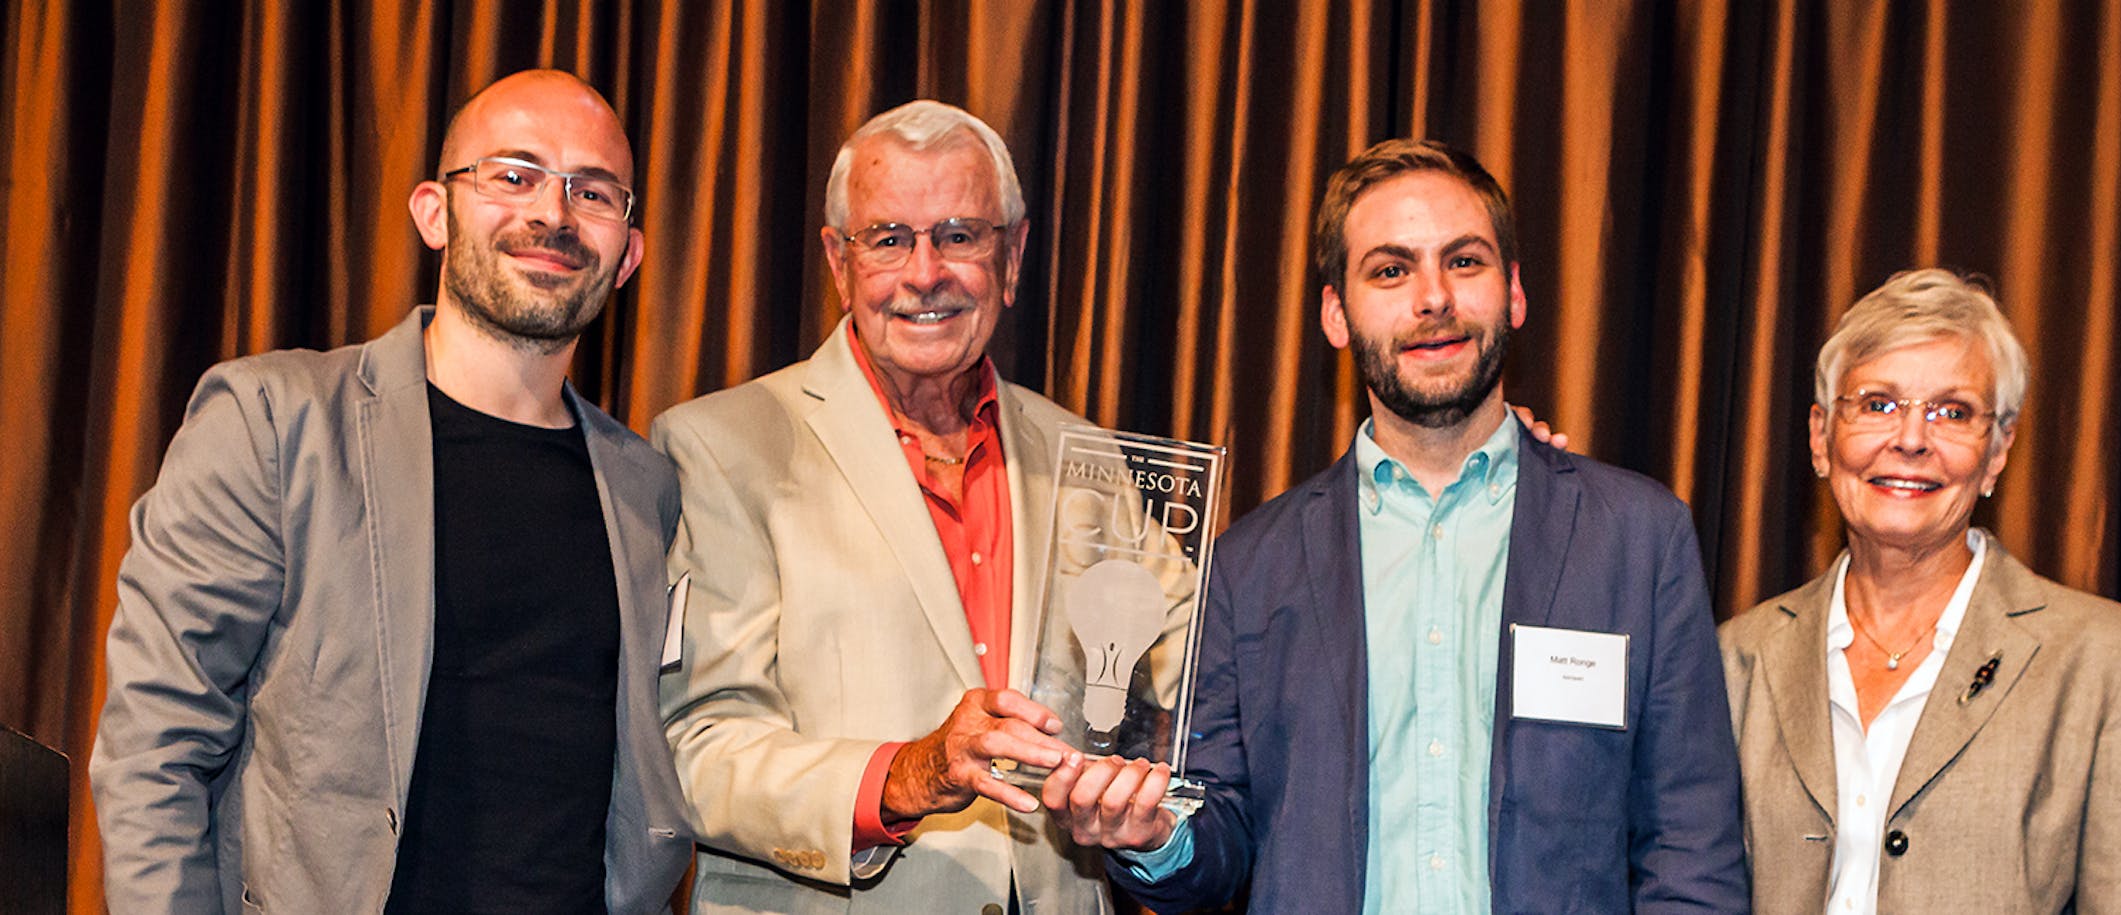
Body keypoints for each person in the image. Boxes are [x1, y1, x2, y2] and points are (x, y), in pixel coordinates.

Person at [1043, 138, 1751, 913]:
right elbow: (1221, 835)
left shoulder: (1638, 539)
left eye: (1466, 261)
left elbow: (1691, 848)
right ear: (1336, 313)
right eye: (1390, 269)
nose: (1433, 298)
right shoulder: (1249, 566)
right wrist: (1153, 836)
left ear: (1514, 291)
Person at [90, 70, 690, 913]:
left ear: (627, 254)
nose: (552, 215)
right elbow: (155, 745)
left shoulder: (647, 486)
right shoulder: (275, 422)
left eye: (591, 192)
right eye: (513, 175)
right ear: (434, 213)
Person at [654, 100, 1124, 913]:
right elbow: (695, 746)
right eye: (889, 239)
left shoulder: (1087, 457)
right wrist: (908, 774)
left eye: (959, 235)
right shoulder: (720, 447)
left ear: (1011, 257)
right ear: (840, 262)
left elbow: (1156, 690)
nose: (924, 273)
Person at [1719, 269, 2121, 913]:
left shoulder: (2112, 663)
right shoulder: (1736, 658)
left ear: (1997, 451)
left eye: (1953, 412)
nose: (1912, 439)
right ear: (1821, 437)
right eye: (1878, 404)